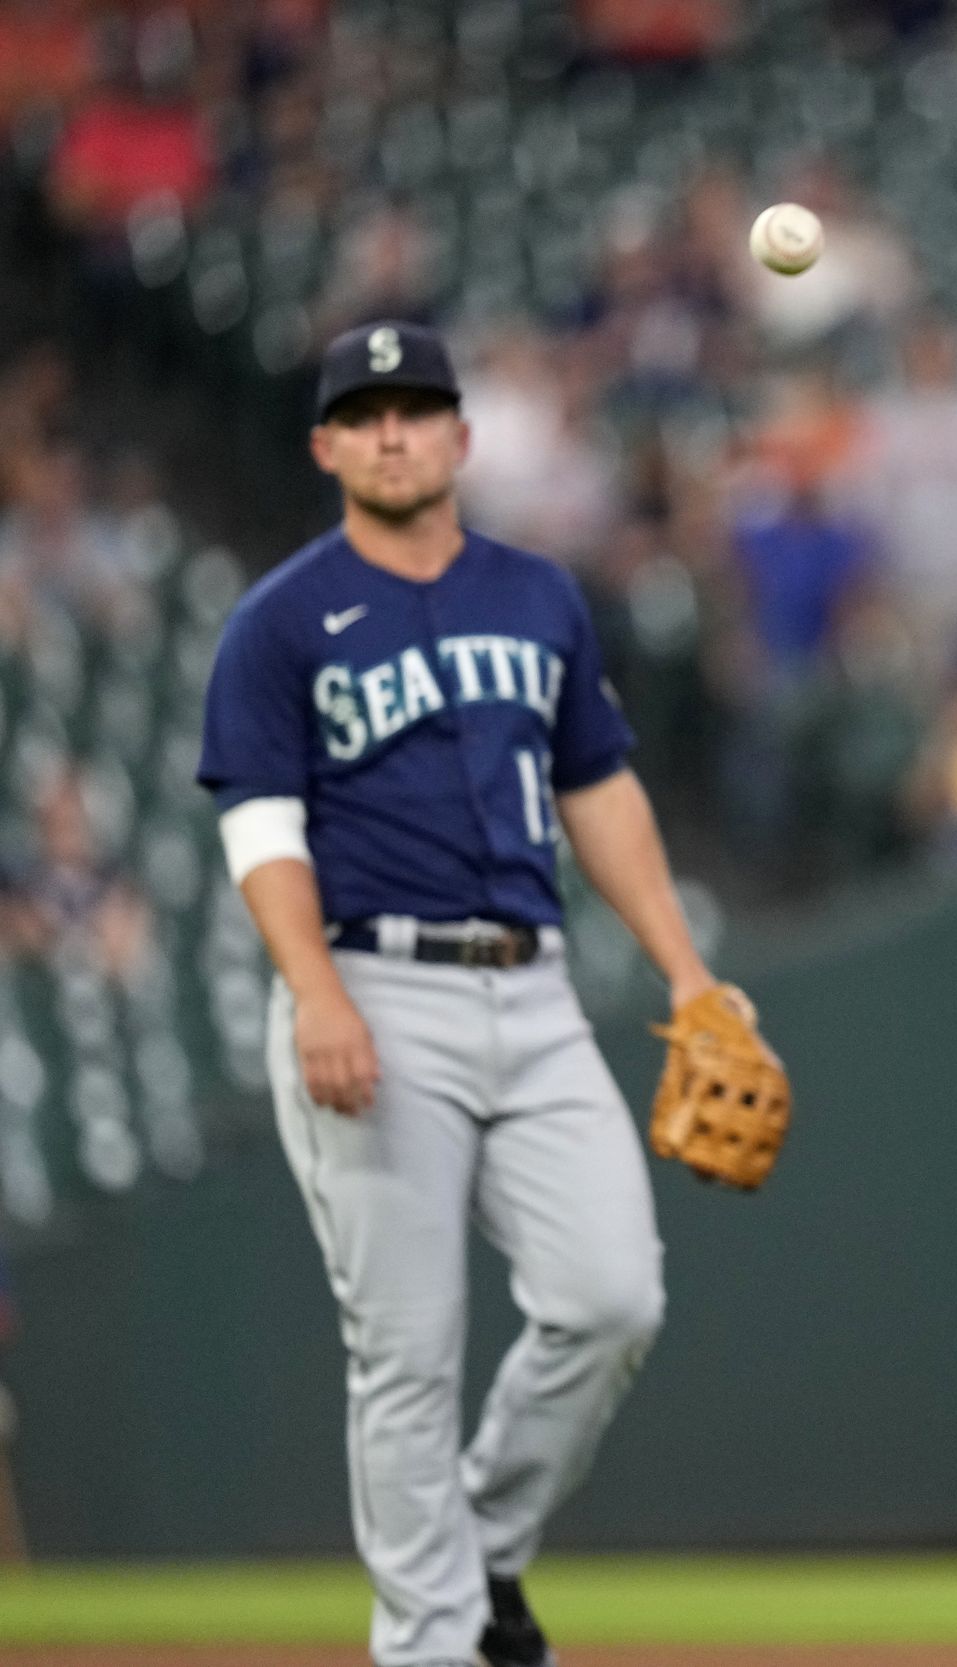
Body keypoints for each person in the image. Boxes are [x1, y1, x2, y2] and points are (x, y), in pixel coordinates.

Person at [198, 323, 720, 1667]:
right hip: (373, 983)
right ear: (325, 446)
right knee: (408, 1353)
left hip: (533, 991)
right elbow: (260, 826)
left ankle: (480, 1547)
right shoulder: (279, 622)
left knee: (613, 1298)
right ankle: (430, 1646)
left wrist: (687, 971)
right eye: (364, 414)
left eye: (416, 409)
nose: (392, 432)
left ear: (461, 436)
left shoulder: (538, 595)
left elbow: (597, 791)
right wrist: (315, 992)